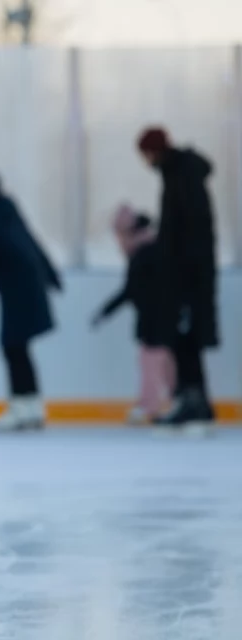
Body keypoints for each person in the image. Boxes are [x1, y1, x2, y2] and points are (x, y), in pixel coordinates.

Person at [0, 171, 62, 431]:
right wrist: (50, 273)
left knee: (12, 347)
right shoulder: (8, 213)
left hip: (17, 292)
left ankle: (21, 408)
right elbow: (32, 241)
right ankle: (31, 407)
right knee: (18, 349)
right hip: (25, 288)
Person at [136, 127, 219, 430]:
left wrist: (181, 272)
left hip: (188, 276)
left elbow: (190, 230)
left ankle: (193, 401)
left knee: (187, 339)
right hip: (185, 273)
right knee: (185, 338)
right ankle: (194, 400)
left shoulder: (182, 177)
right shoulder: (177, 175)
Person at [91, 205, 174, 424]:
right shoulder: (152, 249)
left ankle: (151, 406)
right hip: (162, 317)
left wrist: (105, 311)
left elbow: (131, 290)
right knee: (164, 362)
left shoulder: (144, 253)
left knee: (151, 362)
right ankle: (176, 400)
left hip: (155, 319)